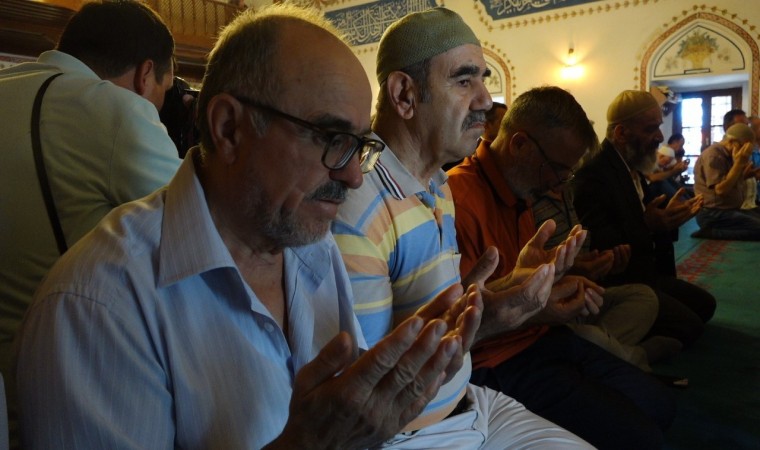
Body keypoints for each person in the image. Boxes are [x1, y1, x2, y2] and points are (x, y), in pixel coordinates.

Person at [14, 5, 586, 449]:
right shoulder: (98, 304)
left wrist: (433, 343)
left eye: (359, 146)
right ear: (229, 128)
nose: (354, 177)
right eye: (330, 138)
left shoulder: (307, 247)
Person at [447, 86, 675, 448]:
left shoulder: (519, 189)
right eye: (556, 169)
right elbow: (457, 329)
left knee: (660, 406)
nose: (558, 183)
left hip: (542, 338)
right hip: (497, 363)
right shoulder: (458, 201)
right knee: (642, 439)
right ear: (520, 144)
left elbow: (518, 281)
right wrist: (538, 307)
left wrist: (563, 276)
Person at [0, 1, 180, 446]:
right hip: (66, 394)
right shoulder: (117, 111)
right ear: (145, 75)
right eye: (165, 89)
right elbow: (200, 231)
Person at [573, 90, 716, 347]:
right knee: (689, 327)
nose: (660, 136)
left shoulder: (632, 165)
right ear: (621, 133)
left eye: (658, 127)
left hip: (647, 274)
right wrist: (648, 225)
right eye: (651, 129)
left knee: (705, 305)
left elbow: (650, 223)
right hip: (621, 281)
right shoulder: (594, 176)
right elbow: (599, 242)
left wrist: (667, 220)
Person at [692, 122, 760, 240]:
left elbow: (730, 181)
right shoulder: (714, 155)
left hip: (729, 209)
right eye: (744, 148)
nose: (746, 153)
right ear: (732, 142)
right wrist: (739, 164)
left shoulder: (729, 154)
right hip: (712, 214)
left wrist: (746, 175)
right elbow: (720, 190)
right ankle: (711, 232)